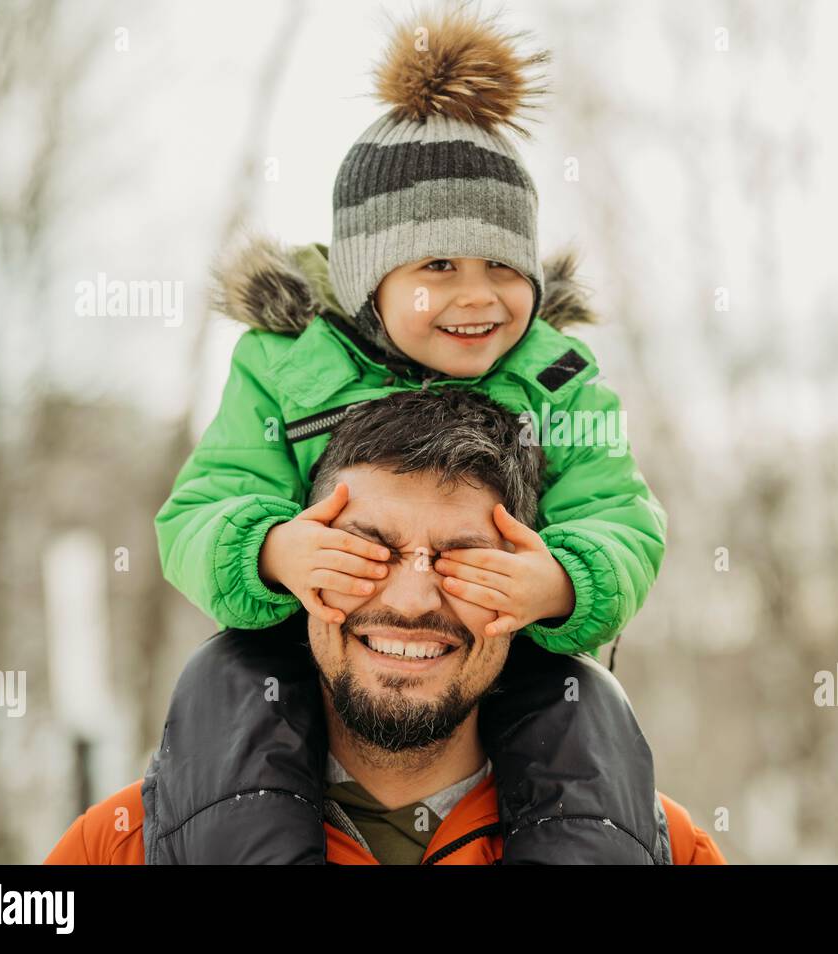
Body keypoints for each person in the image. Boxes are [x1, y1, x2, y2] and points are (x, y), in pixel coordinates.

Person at [150, 6, 667, 863]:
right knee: (229, 697)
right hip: (313, 638)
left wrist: (563, 581)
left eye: (504, 267)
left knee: (579, 716)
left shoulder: (558, 378)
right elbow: (204, 504)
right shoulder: (287, 365)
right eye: (438, 268)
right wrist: (273, 552)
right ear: (367, 279)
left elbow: (623, 515)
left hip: (494, 638)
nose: (480, 298)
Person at [47, 389, 723, 865]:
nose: (411, 597)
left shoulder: (663, 852)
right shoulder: (124, 847)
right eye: (365, 550)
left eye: (465, 558)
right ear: (293, 572)